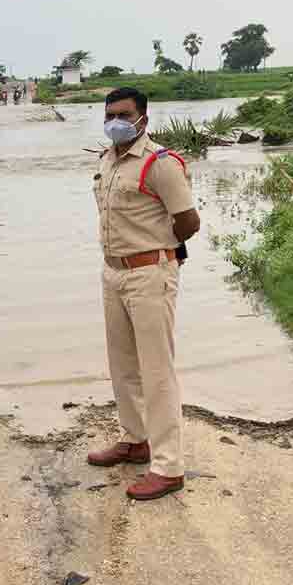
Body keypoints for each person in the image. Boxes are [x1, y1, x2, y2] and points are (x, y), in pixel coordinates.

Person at [88, 87, 200, 501]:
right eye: (109, 115)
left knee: (157, 371)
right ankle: (135, 440)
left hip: (151, 273)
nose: (115, 122)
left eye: (123, 114)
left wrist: (164, 252)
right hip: (113, 274)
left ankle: (169, 467)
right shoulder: (108, 160)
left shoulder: (160, 164)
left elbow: (188, 221)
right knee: (123, 365)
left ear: (143, 119)